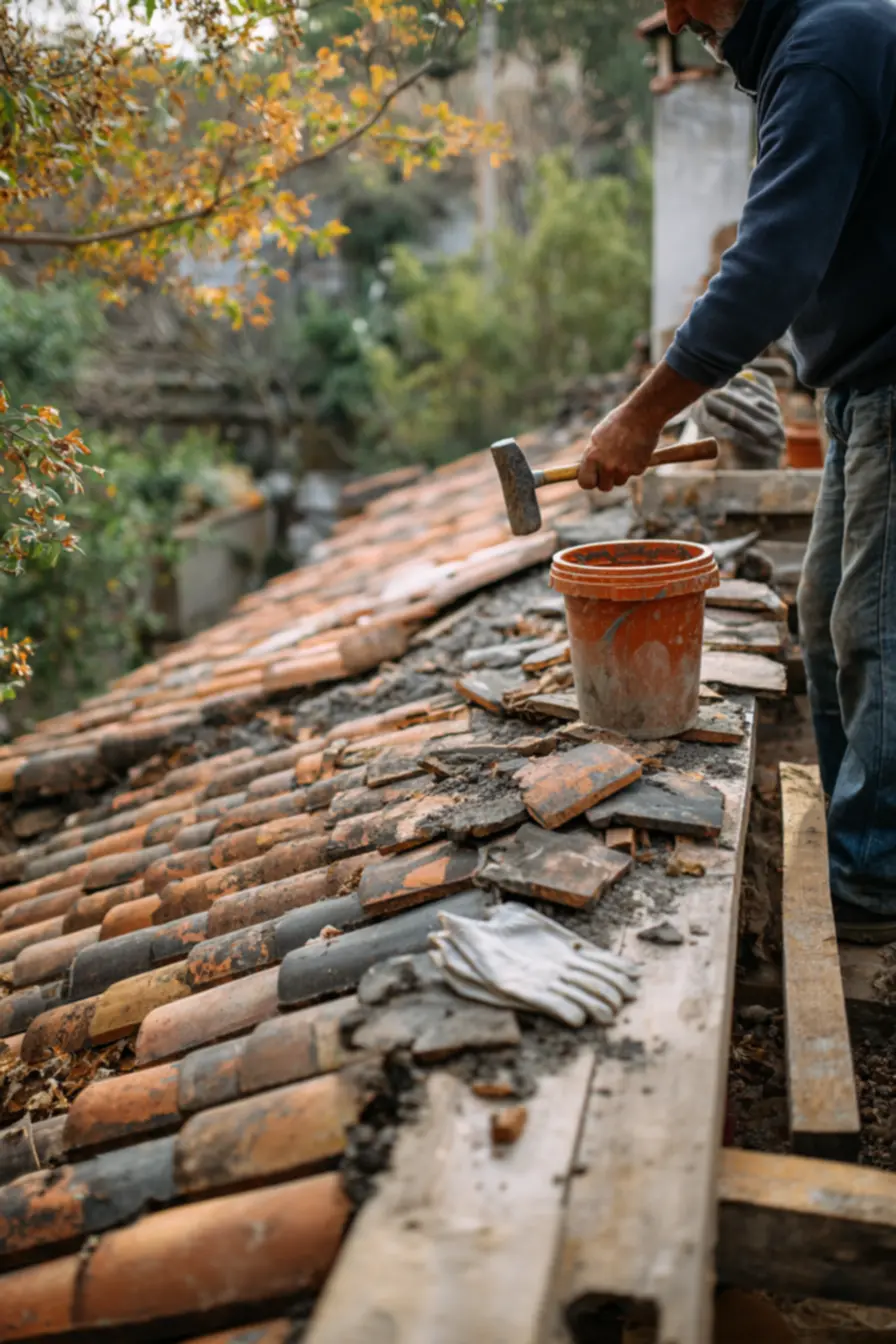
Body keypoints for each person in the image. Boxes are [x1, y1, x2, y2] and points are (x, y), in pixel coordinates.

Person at [578, 0, 896, 943]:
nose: (679, 19)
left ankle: (871, 882)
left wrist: (640, 415)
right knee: (829, 606)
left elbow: (768, 267)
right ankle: (860, 841)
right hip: (864, 384)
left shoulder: (827, 51)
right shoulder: (814, 47)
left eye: (689, 4)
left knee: (876, 627)